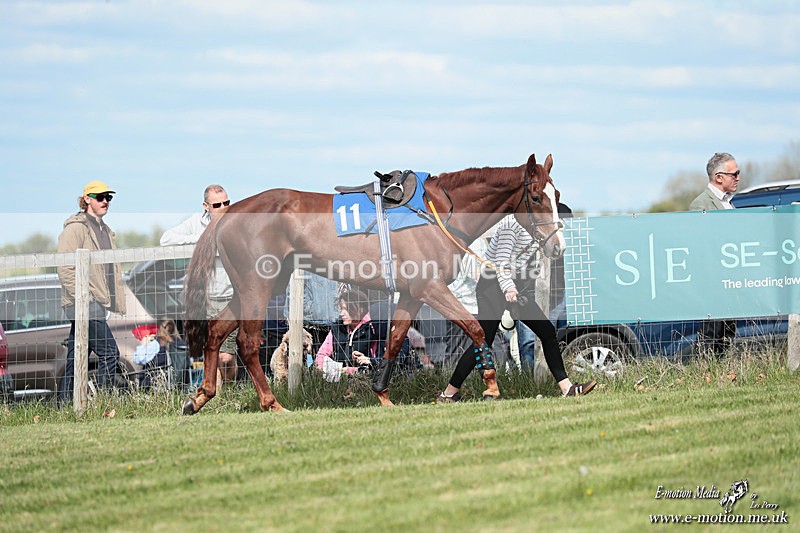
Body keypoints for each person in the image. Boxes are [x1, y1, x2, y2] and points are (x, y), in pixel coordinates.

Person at [437, 215, 596, 402]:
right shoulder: (511, 224)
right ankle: (449, 393)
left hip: (515, 285)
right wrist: (509, 288)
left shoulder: (536, 226)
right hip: (492, 285)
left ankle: (567, 388)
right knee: (482, 341)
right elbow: (500, 262)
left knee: (546, 330)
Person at [57, 180, 126, 405]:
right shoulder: (75, 228)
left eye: (108, 197)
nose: (105, 201)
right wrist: (83, 298)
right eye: (100, 197)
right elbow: (64, 267)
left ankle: (64, 406)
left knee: (77, 357)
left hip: (96, 302)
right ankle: (102, 403)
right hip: (83, 302)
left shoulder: (105, 230)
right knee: (110, 354)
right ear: (87, 199)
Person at [161, 184, 238, 382]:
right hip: (203, 301)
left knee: (227, 357)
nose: (224, 207)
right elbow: (166, 239)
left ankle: (230, 393)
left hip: (230, 299)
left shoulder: (237, 223)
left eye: (227, 203)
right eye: (217, 204)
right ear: (206, 206)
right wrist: (204, 239)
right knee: (210, 353)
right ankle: (214, 396)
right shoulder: (196, 223)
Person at [689, 153, 739, 352]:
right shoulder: (701, 205)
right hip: (713, 283)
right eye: (734, 174)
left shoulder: (729, 203)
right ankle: (707, 373)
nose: (737, 177)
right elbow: (700, 246)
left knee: (727, 334)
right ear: (719, 177)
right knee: (711, 335)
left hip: (730, 281)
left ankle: (723, 374)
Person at [314, 285, 377, 382]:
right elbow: (322, 353)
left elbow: (375, 363)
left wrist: (348, 371)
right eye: (341, 309)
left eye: (345, 309)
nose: (342, 313)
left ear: (359, 309)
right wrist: (322, 367)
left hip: (362, 381)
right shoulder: (337, 328)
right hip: (335, 380)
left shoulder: (371, 330)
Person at [133, 319, 188, 390]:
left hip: (155, 382)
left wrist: (143, 345)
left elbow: (138, 360)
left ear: (159, 329)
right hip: (180, 382)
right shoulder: (182, 345)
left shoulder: (155, 344)